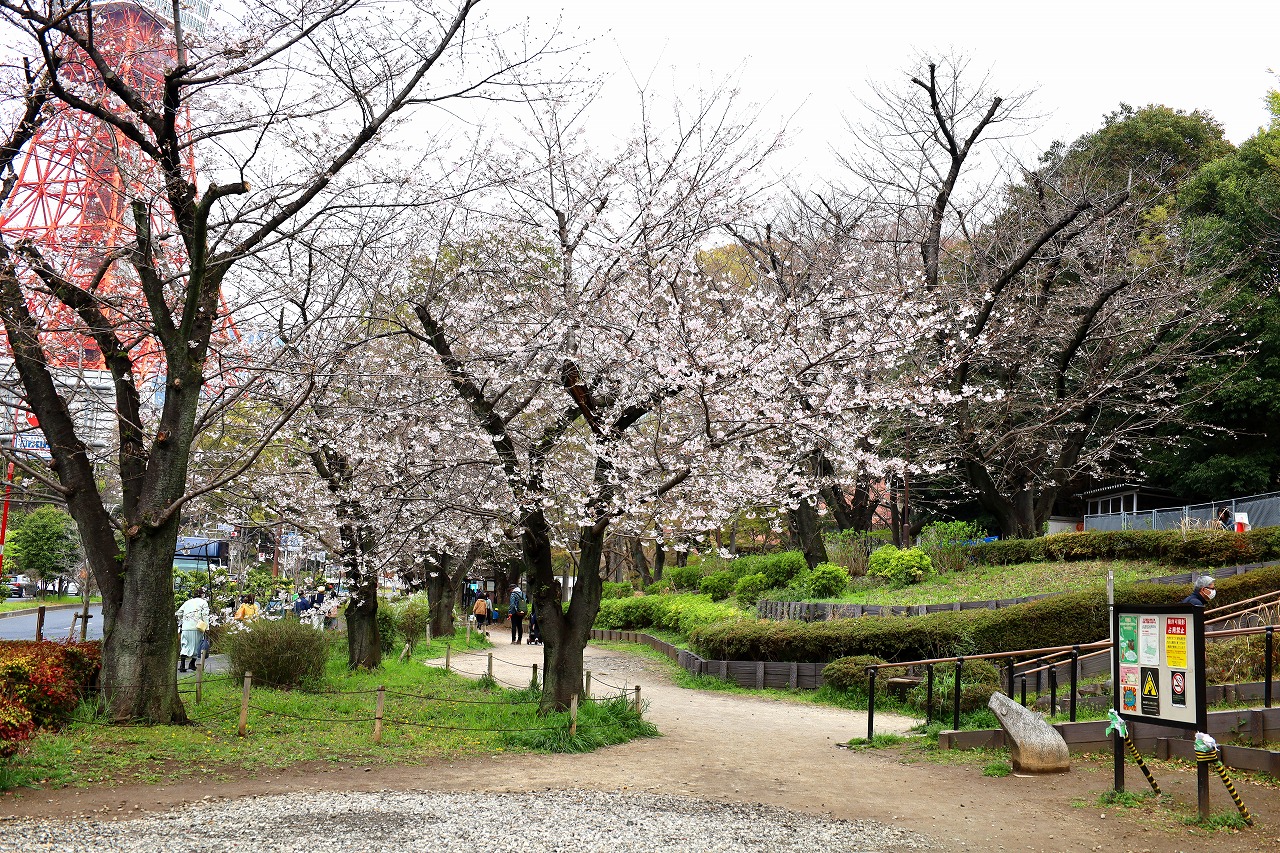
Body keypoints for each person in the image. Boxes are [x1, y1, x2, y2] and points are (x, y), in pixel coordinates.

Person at [175, 588, 210, 672]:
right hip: (197, 627)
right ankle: (192, 663)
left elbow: (179, 613)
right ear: (202, 595)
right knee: (196, 646)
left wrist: (183, 619)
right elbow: (205, 615)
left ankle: (182, 665)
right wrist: (207, 627)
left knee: (185, 645)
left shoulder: (187, 602)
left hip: (186, 627)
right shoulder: (203, 602)